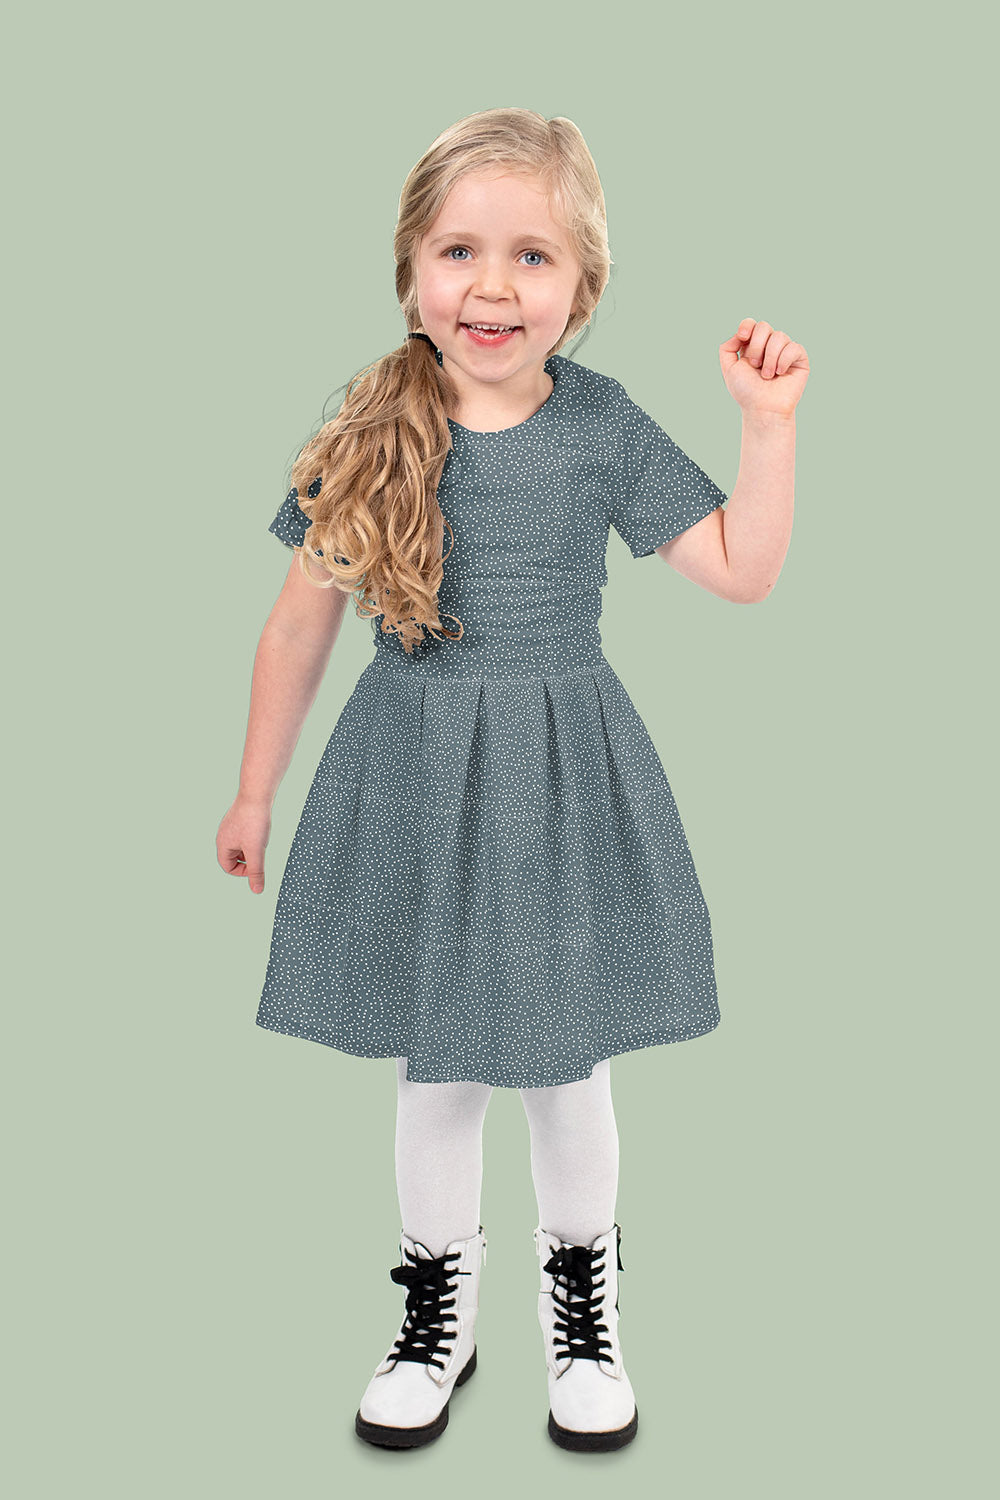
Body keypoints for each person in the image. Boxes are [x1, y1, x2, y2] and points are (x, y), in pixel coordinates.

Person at [216, 107, 807, 1455]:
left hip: (558, 777)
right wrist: (253, 791)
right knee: (437, 1070)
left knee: (564, 1065)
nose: (493, 286)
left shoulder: (600, 424)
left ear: (582, 287)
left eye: (533, 256)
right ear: (410, 271)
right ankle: (437, 1311)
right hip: (412, 775)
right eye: (460, 251)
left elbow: (741, 569)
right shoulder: (372, 423)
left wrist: (767, 428)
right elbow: (298, 626)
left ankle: (584, 1311)